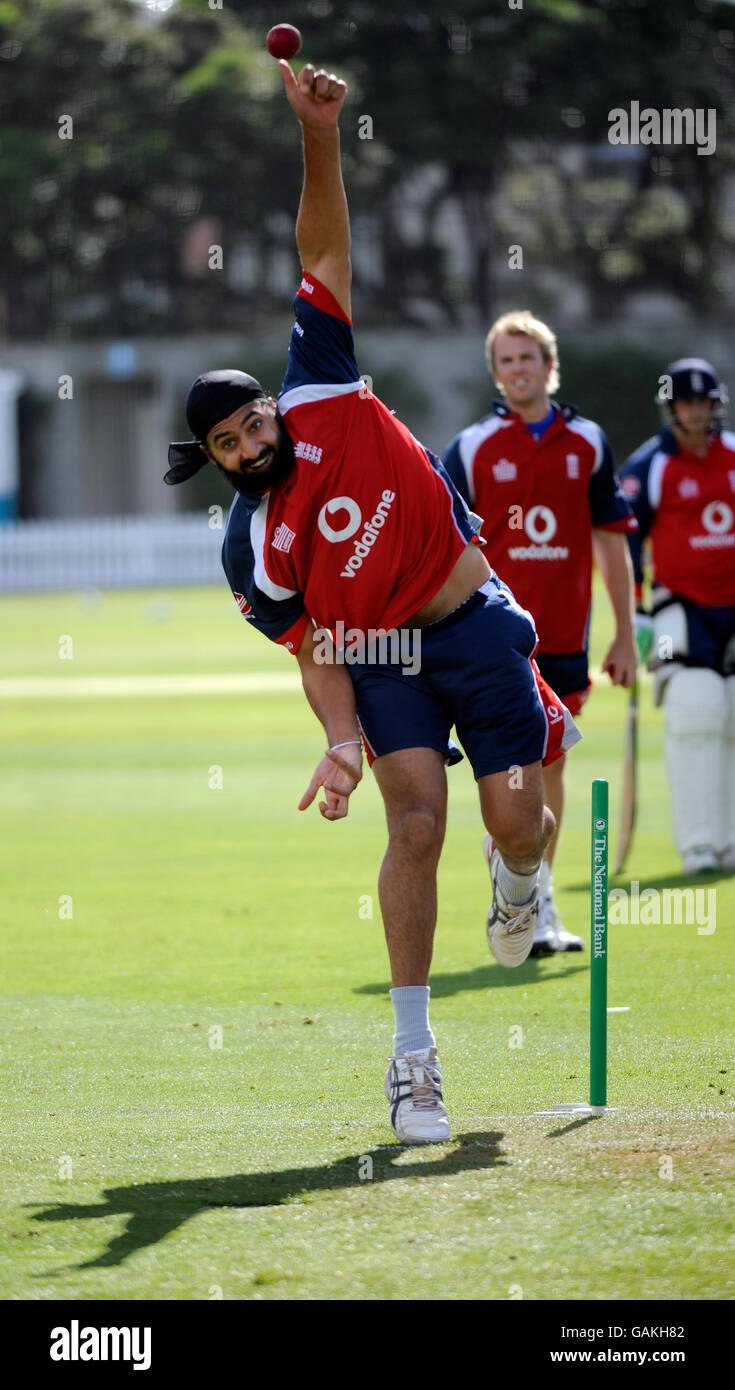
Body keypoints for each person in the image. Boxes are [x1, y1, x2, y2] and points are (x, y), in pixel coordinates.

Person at [165, 62, 580, 1145]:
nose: (256, 442)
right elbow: (314, 650)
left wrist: (318, 135)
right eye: (231, 444)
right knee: (413, 820)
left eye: (254, 422)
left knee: (518, 823)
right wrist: (341, 740)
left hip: (476, 619)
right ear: (214, 461)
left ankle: (521, 881)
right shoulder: (251, 544)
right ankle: (415, 1063)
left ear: (272, 404)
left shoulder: (323, 379)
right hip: (382, 656)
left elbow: (320, 246)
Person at [443, 312, 638, 954]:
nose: (518, 369)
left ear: (549, 366)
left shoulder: (588, 442)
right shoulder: (469, 449)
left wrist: (625, 633)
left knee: (553, 765)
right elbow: (443, 544)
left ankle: (529, 889)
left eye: (528, 358)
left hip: (562, 639)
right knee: (519, 764)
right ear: (494, 373)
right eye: (506, 360)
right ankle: (533, 902)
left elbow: (611, 540)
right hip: (491, 640)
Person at [619, 358, 735, 874]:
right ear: (672, 408)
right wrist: (635, 615)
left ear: (715, 404)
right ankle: (699, 845)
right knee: (695, 710)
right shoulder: (650, 466)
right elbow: (625, 540)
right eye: (685, 403)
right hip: (676, 610)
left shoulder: (732, 456)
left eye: (702, 402)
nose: (695, 412)